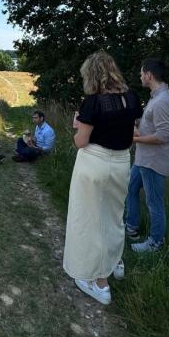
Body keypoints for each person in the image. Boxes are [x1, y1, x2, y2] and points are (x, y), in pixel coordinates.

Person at [63, 51, 142, 305]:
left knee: (90, 220)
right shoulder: (131, 98)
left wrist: (77, 126)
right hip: (121, 162)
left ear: (92, 76)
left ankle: (99, 282)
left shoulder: (93, 103)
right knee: (114, 216)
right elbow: (132, 131)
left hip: (95, 162)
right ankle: (114, 262)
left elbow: (81, 142)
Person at [126, 58, 169, 254]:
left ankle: (155, 243)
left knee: (154, 202)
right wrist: (138, 130)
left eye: (141, 73)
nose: (140, 77)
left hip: (154, 161)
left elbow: (163, 136)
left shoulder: (163, 101)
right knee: (130, 189)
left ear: (149, 75)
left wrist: (134, 140)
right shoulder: (156, 97)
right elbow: (153, 126)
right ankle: (131, 227)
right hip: (143, 159)